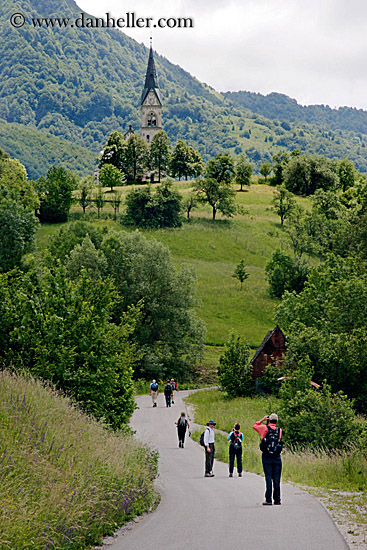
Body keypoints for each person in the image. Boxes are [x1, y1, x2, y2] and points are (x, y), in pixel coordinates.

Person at [253, 413, 283, 505]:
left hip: (266, 456)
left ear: (269, 420)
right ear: (277, 421)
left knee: (268, 477)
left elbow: (254, 426)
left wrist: (262, 419)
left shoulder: (264, 428)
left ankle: (268, 499)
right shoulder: (279, 430)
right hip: (277, 456)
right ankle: (277, 499)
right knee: (277, 478)